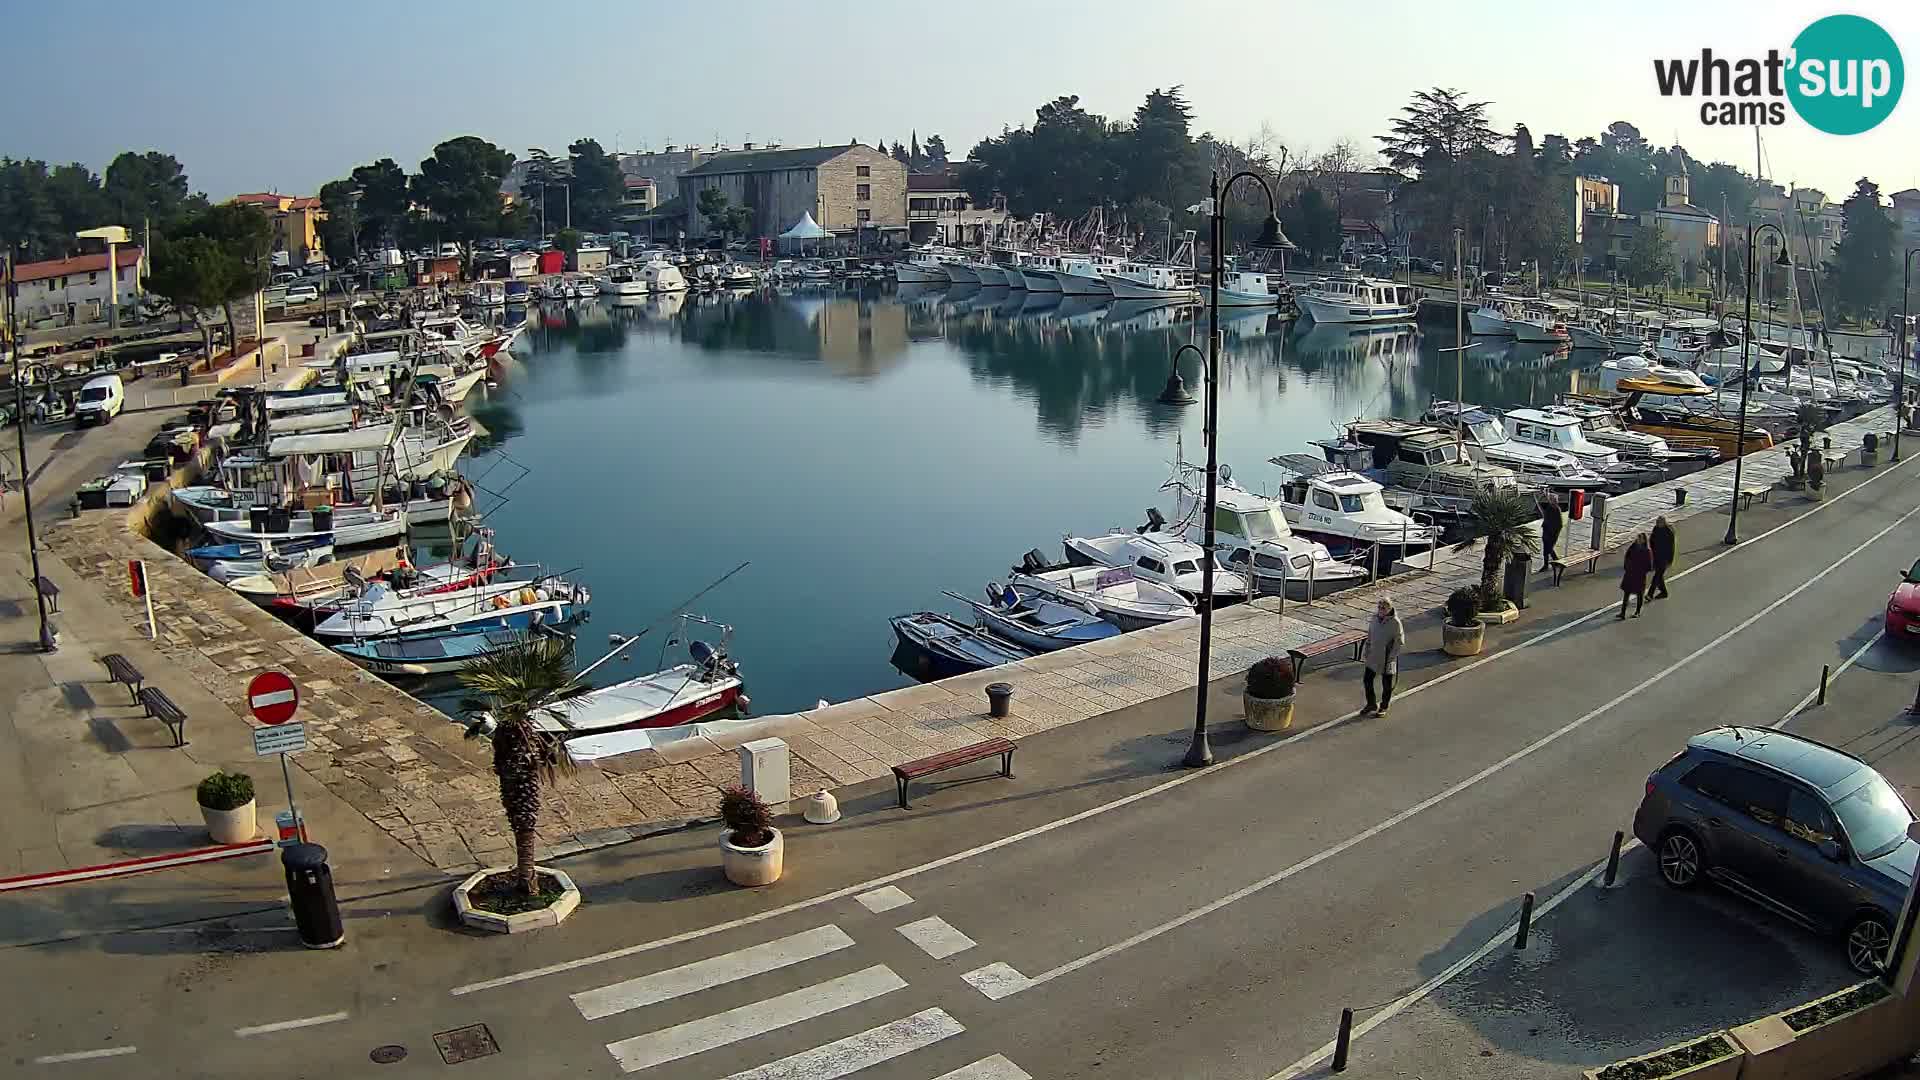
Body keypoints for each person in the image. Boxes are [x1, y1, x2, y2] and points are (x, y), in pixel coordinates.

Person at [1361, 597, 1405, 717]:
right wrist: (1367, 650)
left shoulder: (1395, 622)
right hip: (1373, 655)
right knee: (1367, 680)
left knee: (1386, 684)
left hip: (1387, 657)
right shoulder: (1374, 618)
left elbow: (1399, 641)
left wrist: (1391, 657)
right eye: (1379, 607)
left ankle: (1384, 707)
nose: (1380, 610)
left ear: (1389, 609)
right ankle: (1371, 704)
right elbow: (1370, 635)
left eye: (1383, 608)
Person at [1620, 533, 1652, 619]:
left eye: (1640, 538)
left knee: (1639, 594)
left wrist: (1642, 571)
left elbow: (1649, 566)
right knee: (1626, 593)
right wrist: (1627, 567)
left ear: (1644, 540)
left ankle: (1637, 611)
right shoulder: (1633, 547)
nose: (1638, 540)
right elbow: (1627, 556)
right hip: (1630, 573)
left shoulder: (1646, 551)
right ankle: (1622, 612)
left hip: (1639, 575)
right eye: (1638, 538)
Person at [1649, 516, 1676, 599]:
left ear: (1663, 523)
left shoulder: (1669, 532)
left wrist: (1670, 560)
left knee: (1657, 575)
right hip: (1656, 556)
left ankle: (1650, 594)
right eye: (1657, 522)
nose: (1657, 524)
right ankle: (1664, 592)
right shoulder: (1656, 529)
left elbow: (1671, 547)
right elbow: (1651, 540)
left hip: (1665, 557)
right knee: (1659, 576)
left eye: (1659, 522)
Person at [1538, 492, 1564, 570]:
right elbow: (1540, 506)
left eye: (1551, 499)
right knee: (1547, 549)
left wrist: (1555, 532)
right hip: (1547, 530)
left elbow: (1559, 524)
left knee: (1548, 548)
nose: (1550, 500)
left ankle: (1553, 562)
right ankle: (1552, 562)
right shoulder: (1550, 507)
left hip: (1552, 532)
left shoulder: (1556, 509)